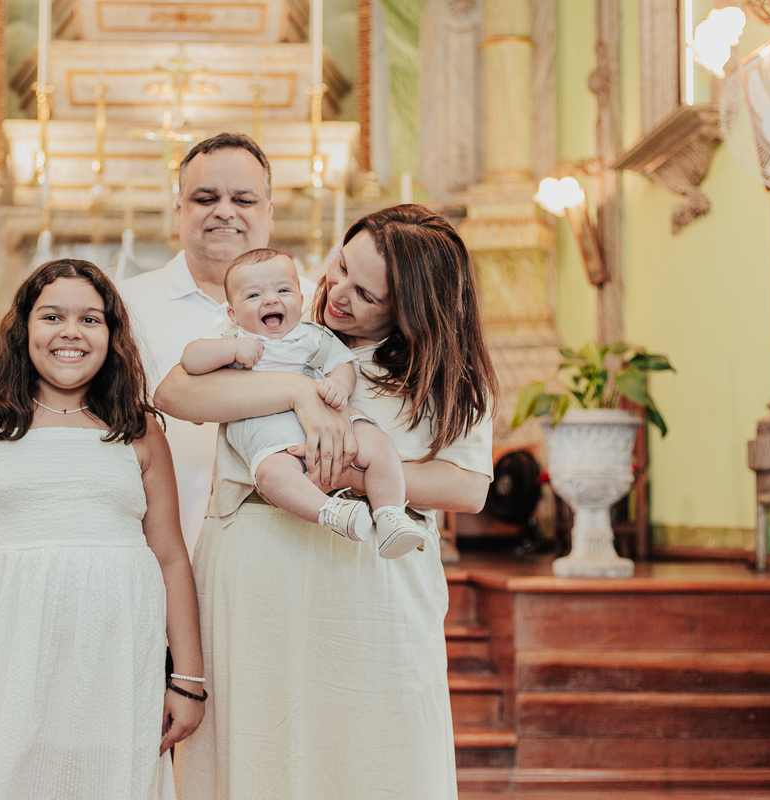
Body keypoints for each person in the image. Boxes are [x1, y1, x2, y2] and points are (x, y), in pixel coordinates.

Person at [155, 205, 497, 799]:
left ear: (413, 310)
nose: (337, 293)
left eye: (366, 294)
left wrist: (355, 478)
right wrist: (297, 392)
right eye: (340, 267)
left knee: (375, 757)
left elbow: (467, 487)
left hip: (374, 587)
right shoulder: (281, 336)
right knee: (258, 751)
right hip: (258, 579)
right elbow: (174, 393)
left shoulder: (449, 376)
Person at [0, 260, 205, 799]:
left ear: (112, 335)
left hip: (115, 660)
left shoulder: (138, 430)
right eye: (52, 316)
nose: (70, 332)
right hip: (7, 660)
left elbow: (169, 554)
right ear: (23, 328)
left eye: (89, 319)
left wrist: (188, 679)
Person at [118, 133, 314, 552]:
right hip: (155, 550)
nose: (224, 211)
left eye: (243, 199)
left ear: (269, 211)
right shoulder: (123, 306)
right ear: (178, 210)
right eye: (206, 198)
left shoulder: (317, 304)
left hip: (290, 547)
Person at [180, 247, 425, 556]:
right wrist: (231, 351)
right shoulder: (232, 337)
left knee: (378, 443)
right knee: (272, 475)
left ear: (300, 298)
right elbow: (190, 360)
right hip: (270, 436)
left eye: (283, 291)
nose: (271, 300)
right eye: (254, 295)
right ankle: (332, 513)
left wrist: (338, 384)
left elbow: (343, 364)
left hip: (330, 419)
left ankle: (390, 514)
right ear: (232, 313)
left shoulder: (314, 336)